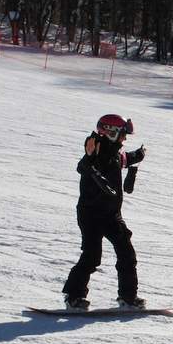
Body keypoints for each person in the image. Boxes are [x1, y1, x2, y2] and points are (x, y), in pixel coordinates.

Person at [61, 114, 147, 310]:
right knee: (92, 255)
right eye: (123, 134)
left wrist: (137, 156)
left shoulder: (115, 152)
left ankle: (128, 297)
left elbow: (122, 159)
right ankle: (73, 296)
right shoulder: (96, 149)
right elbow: (83, 165)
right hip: (91, 214)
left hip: (111, 215)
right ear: (110, 132)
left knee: (127, 253)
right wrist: (89, 160)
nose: (124, 139)